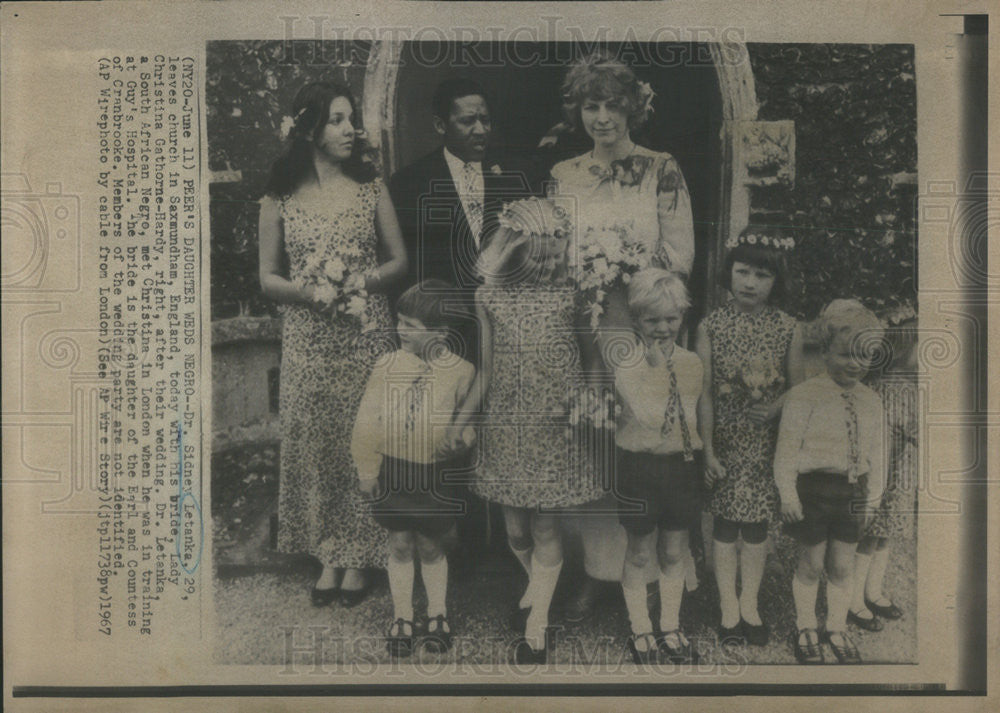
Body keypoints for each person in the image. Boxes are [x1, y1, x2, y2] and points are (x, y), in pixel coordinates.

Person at [546, 52, 696, 621]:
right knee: (594, 445)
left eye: (613, 104)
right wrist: (584, 266)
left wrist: (621, 261)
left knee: (645, 447)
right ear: (578, 111)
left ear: (633, 106)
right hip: (583, 329)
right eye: (591, 105)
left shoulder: (663, 168)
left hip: (642, 327)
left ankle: (654, 574)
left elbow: (680, 255)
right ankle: (596, 573)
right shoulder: (565, 174)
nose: (602, 116)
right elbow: (554, 253)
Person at [258, 81, 407, 607]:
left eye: (352, 120)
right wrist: (311, 291)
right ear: (309, 130)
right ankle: (329, 555)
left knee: (363, 440)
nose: (351, 131)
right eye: (339, 120)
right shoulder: (279, 197)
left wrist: (355, 285)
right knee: (318, 443)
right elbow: (267, 277)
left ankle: (364, 555)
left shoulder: (370, 187)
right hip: (307, 340)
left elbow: (398, 263)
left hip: (366, 336)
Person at [448, 198, 606, 664]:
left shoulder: (574, 293)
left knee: (546, 524)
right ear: (513, 252)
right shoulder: (490, 298)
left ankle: (537, 622)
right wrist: (462, 421)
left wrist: (590, 399)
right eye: (539, 258)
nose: (550, 266)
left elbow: (592, 358)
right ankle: (541, 587)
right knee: (516, 530)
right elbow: (487, 369)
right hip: (507, 426)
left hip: (557, 426)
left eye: (557, 257)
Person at [352, 280, 476, 658]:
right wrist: (367, 469)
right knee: (400, 543)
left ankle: (437, 613)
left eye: (412, 325)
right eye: (399, 321)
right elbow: (367, 419)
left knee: (432, 545)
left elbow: (466, 422)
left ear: (441, 333)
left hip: (433, 473)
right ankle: (402, 615)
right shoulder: (387, 364)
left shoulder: (461, 371)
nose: (401, 330)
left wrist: (463, 439)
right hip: (395, 469)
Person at [695, 227, 804, 647]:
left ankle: (750, 604)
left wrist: (774, 408)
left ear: (776, 282)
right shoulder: (712, 326)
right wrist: (707, 450)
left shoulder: (787, 327)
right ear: (729, 273)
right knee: (724, 523)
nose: (750, 283)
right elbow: (702, 391)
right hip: (724, 438)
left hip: (764, 443)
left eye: (762, 275)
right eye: (742, 272)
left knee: (756, 524)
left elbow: (798, 386)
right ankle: (727, 605)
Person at [776, 299, 885, 664]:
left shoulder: (872, 401)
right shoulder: (805, 395)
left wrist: (872, 500)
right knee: (810, 564)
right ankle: (806, 625)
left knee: (842, 565)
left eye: (863, 355)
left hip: (852, 491)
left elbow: (878, 455)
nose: (854, 364)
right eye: (844, 355)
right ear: (824, 352)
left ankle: (836, 627)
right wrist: (787, 494)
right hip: (814, 493)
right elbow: (787, 450)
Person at [613, 269, 705, 664]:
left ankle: (669, 623)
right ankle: (640, 628)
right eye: (652, 320)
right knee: (638, 552)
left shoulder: (692, 363)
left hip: (680, 468)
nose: (663, 328)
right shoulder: (628, 365)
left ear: (682, 318)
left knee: (674, 550)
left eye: (671, 319)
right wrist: (651, 367)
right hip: (639, 468)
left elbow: (691, 415)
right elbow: (650, 416)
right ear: (637, 321)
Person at [849, 319, 918, 631]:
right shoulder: (886, 390)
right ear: (904, 350)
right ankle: (853, 599)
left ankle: (873, 591)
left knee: (886, 535)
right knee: (870, 536)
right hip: (883, 475)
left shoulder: (914, 388)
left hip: (902, 477)